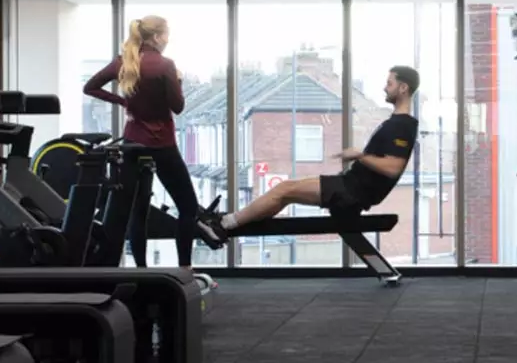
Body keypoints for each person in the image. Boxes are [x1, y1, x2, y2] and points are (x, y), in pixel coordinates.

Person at [200, 65, 419, 242]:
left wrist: (359, 156)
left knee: (284, 189)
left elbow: (393, 168)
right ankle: (229, 223)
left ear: (403, 88)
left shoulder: (402, 125)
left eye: (389, 83)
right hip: (349, 185)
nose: (384, 88)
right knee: (284, 194)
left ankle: (224, 225)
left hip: (352, 192)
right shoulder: (396, 123)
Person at [83, 15, 221, 270]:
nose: (168, 40)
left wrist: (123, 102)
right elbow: (178, 107)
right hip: (162, 144)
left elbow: (90, 87)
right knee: (188, 208)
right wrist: (177, 80)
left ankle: (141, 270)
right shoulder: (165, 65)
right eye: (166, 35)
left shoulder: (124, 62)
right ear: (157, 37)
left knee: (137, 210)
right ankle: (184, 269)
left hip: (134, 142)